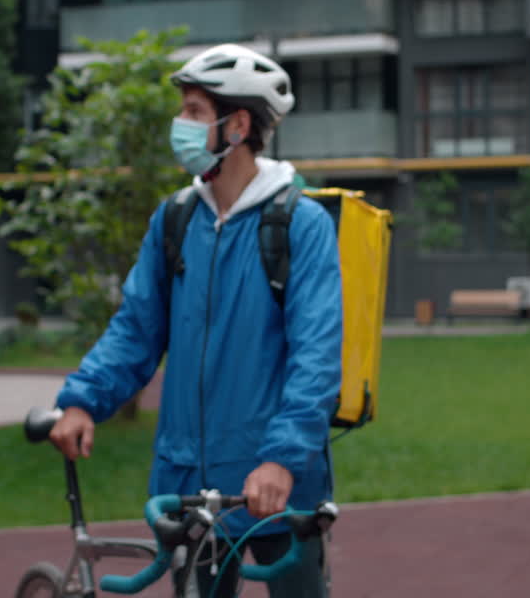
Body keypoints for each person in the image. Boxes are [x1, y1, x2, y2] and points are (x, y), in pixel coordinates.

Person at [49, 44, 343, 597]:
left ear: (237, 126)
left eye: (193, 111)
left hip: (276, 486)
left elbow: (317, 356)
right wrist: (84, 399)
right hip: (192, 487)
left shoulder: (300, 225)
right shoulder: (176, 219)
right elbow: (136, 329)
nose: (179, 124)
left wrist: (282, 459)